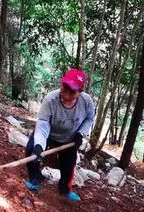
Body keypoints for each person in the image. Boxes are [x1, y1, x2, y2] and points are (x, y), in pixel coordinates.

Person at [23, 68, 95, 202]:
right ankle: (35, 179)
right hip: (49, 133)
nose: (66, 93)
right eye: (64, 87)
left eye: (72, 91)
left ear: (80, 92)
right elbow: (43, 123)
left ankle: (65, 189)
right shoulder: (50, 100)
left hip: (70, 137)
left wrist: (81, 134)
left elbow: (90, 118)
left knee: (69, 164)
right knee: (31, 151)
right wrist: (39, 145)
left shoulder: (86, 102)